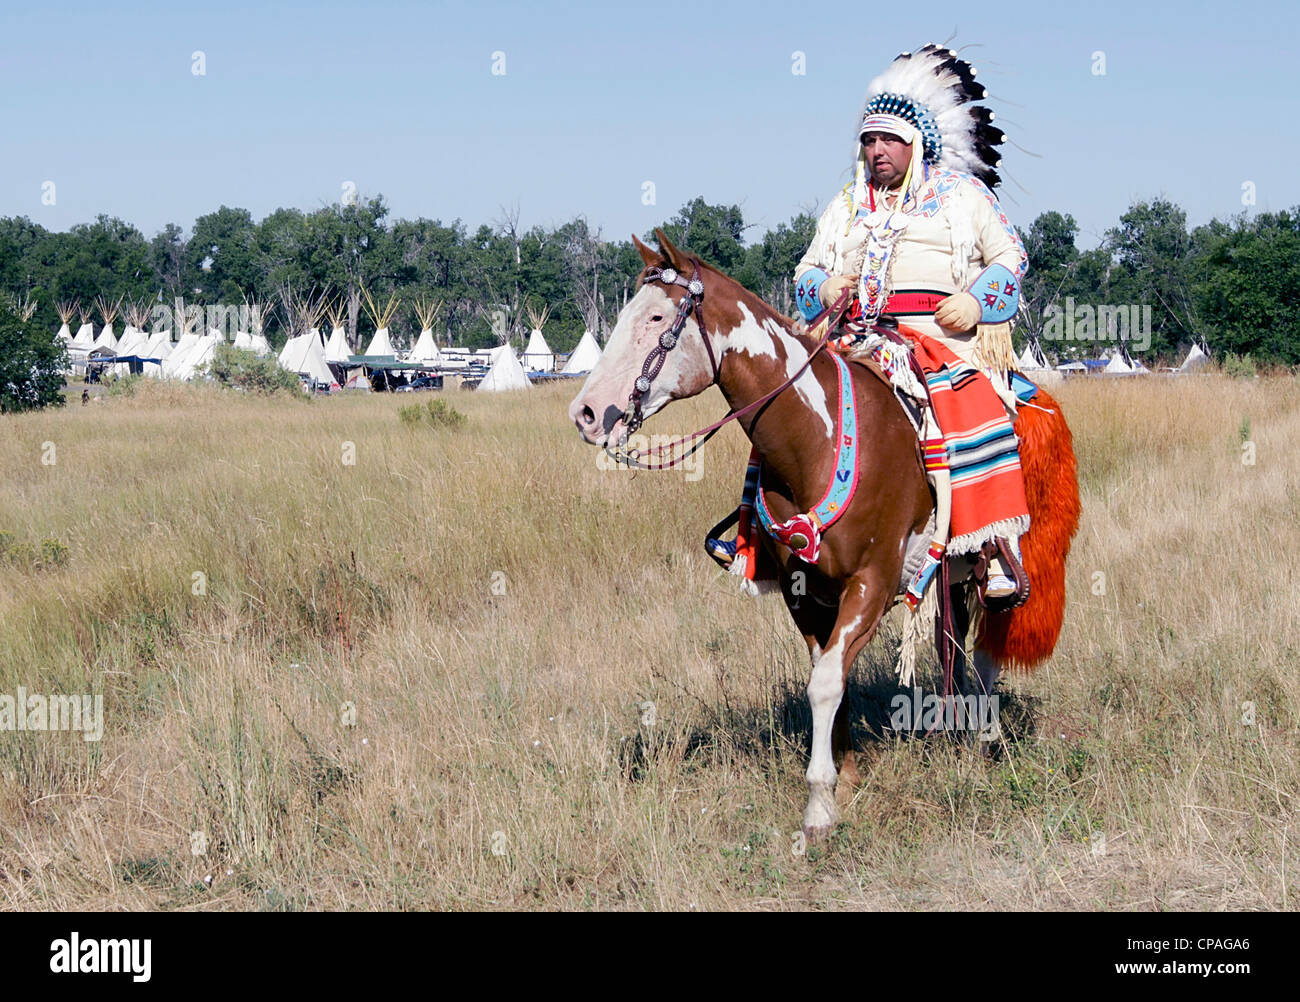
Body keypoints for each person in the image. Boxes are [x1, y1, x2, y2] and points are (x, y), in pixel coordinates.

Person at [711, 43, 1031, 607]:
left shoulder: (962, 197)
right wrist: (825, 286)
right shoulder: (846, 204)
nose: (877, 150)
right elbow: (807, 268)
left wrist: (977, 303)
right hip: (852, 341)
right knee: (783, 404)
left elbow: (1011, 257)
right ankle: (754, 535)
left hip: (938, 341)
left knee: (974, 404)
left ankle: (996, 548)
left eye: (889, 139)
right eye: (868, 139)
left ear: (918, 143)